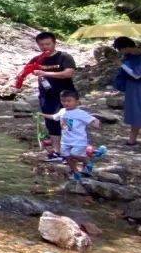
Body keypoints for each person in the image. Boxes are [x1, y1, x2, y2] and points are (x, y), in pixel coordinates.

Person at [31, 31, 77, 160]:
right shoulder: (37, 59)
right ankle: (57, 151)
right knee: (51, 122)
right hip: (46, 96)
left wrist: (45, 73)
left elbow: (68, 73)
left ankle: (72, 150)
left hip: (66, 95)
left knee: (68, 122)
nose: (45, 47)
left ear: (54, 43)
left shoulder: (64, 57)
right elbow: (27, 70)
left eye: (48, 44)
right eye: (42, 45)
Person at [41, 89, 101, 179]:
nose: (66, 103)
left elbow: (93, 120)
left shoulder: (80, 113)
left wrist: (96, 122)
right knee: (67, 157)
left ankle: (88, 163)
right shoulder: (62, 111)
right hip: (65, 141)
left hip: (79, 140)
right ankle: (76, 173)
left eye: (69, 101)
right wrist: (42, 115)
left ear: (77, 102)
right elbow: (54, 117)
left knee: (75, 154)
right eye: (63, 101)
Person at [112, 36, 141, 145]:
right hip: (132, 87)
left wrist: (120, 64)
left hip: (139, 86)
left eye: (120, 49)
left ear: (126, 47)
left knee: (139, 110)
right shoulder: (128, 56)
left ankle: (132, 139)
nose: (120, 51)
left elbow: (137, 75)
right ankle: (132, 139)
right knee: (134, 112)